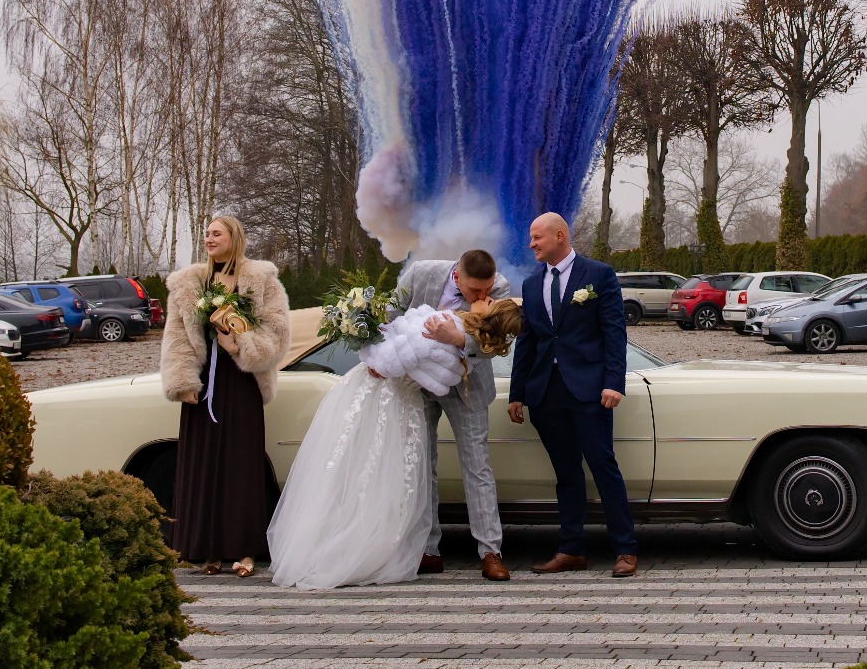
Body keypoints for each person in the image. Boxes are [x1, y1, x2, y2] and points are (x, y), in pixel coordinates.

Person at [267, 293, 478, 589]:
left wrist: (373, 346)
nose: (484, 299)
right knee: (369, 471)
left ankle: (373, 546)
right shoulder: (438, 328)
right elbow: (394, 365)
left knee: (376, 473)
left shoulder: (437, 327)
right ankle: (360, 549)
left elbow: (388, 361)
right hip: (386, 402)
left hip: (390, 400)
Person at [160, 213, 292, 577]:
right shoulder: (190, 282)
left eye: (216, 233)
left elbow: (278, 333)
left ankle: (245, 551)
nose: (209, 239)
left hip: (241, 381)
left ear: (234, 237)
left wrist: (239, 344)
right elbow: (176, 335)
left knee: (240, 465)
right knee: (202, 464)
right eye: (206, 234)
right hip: (203, 385)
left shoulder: (261, 279)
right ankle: (205, 549)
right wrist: (183, 380)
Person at [509, 211, 638, 577]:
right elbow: (528, 341)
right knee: (566, 473)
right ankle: (571, 550)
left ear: (560, 235)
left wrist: (614, 382)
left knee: (603, 466)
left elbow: (614, 333)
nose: (531, 243)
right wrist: (517, 393)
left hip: (590, 391)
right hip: (545, 394)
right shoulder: (532, 285)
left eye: (537, 237)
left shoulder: (598, 275)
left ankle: (626, 549)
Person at [402, 249, 516, 581]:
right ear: (457, 276)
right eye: (475, 292)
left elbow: (498, 340)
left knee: (477, 466)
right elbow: (392, 314)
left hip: (469, 386)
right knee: (424, 464)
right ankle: (428, 549)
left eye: (487, 290)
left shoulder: (500, 287)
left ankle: (491, 551)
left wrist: (459, 338)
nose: (484, 297)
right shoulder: (421, 273)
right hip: (419, 383)